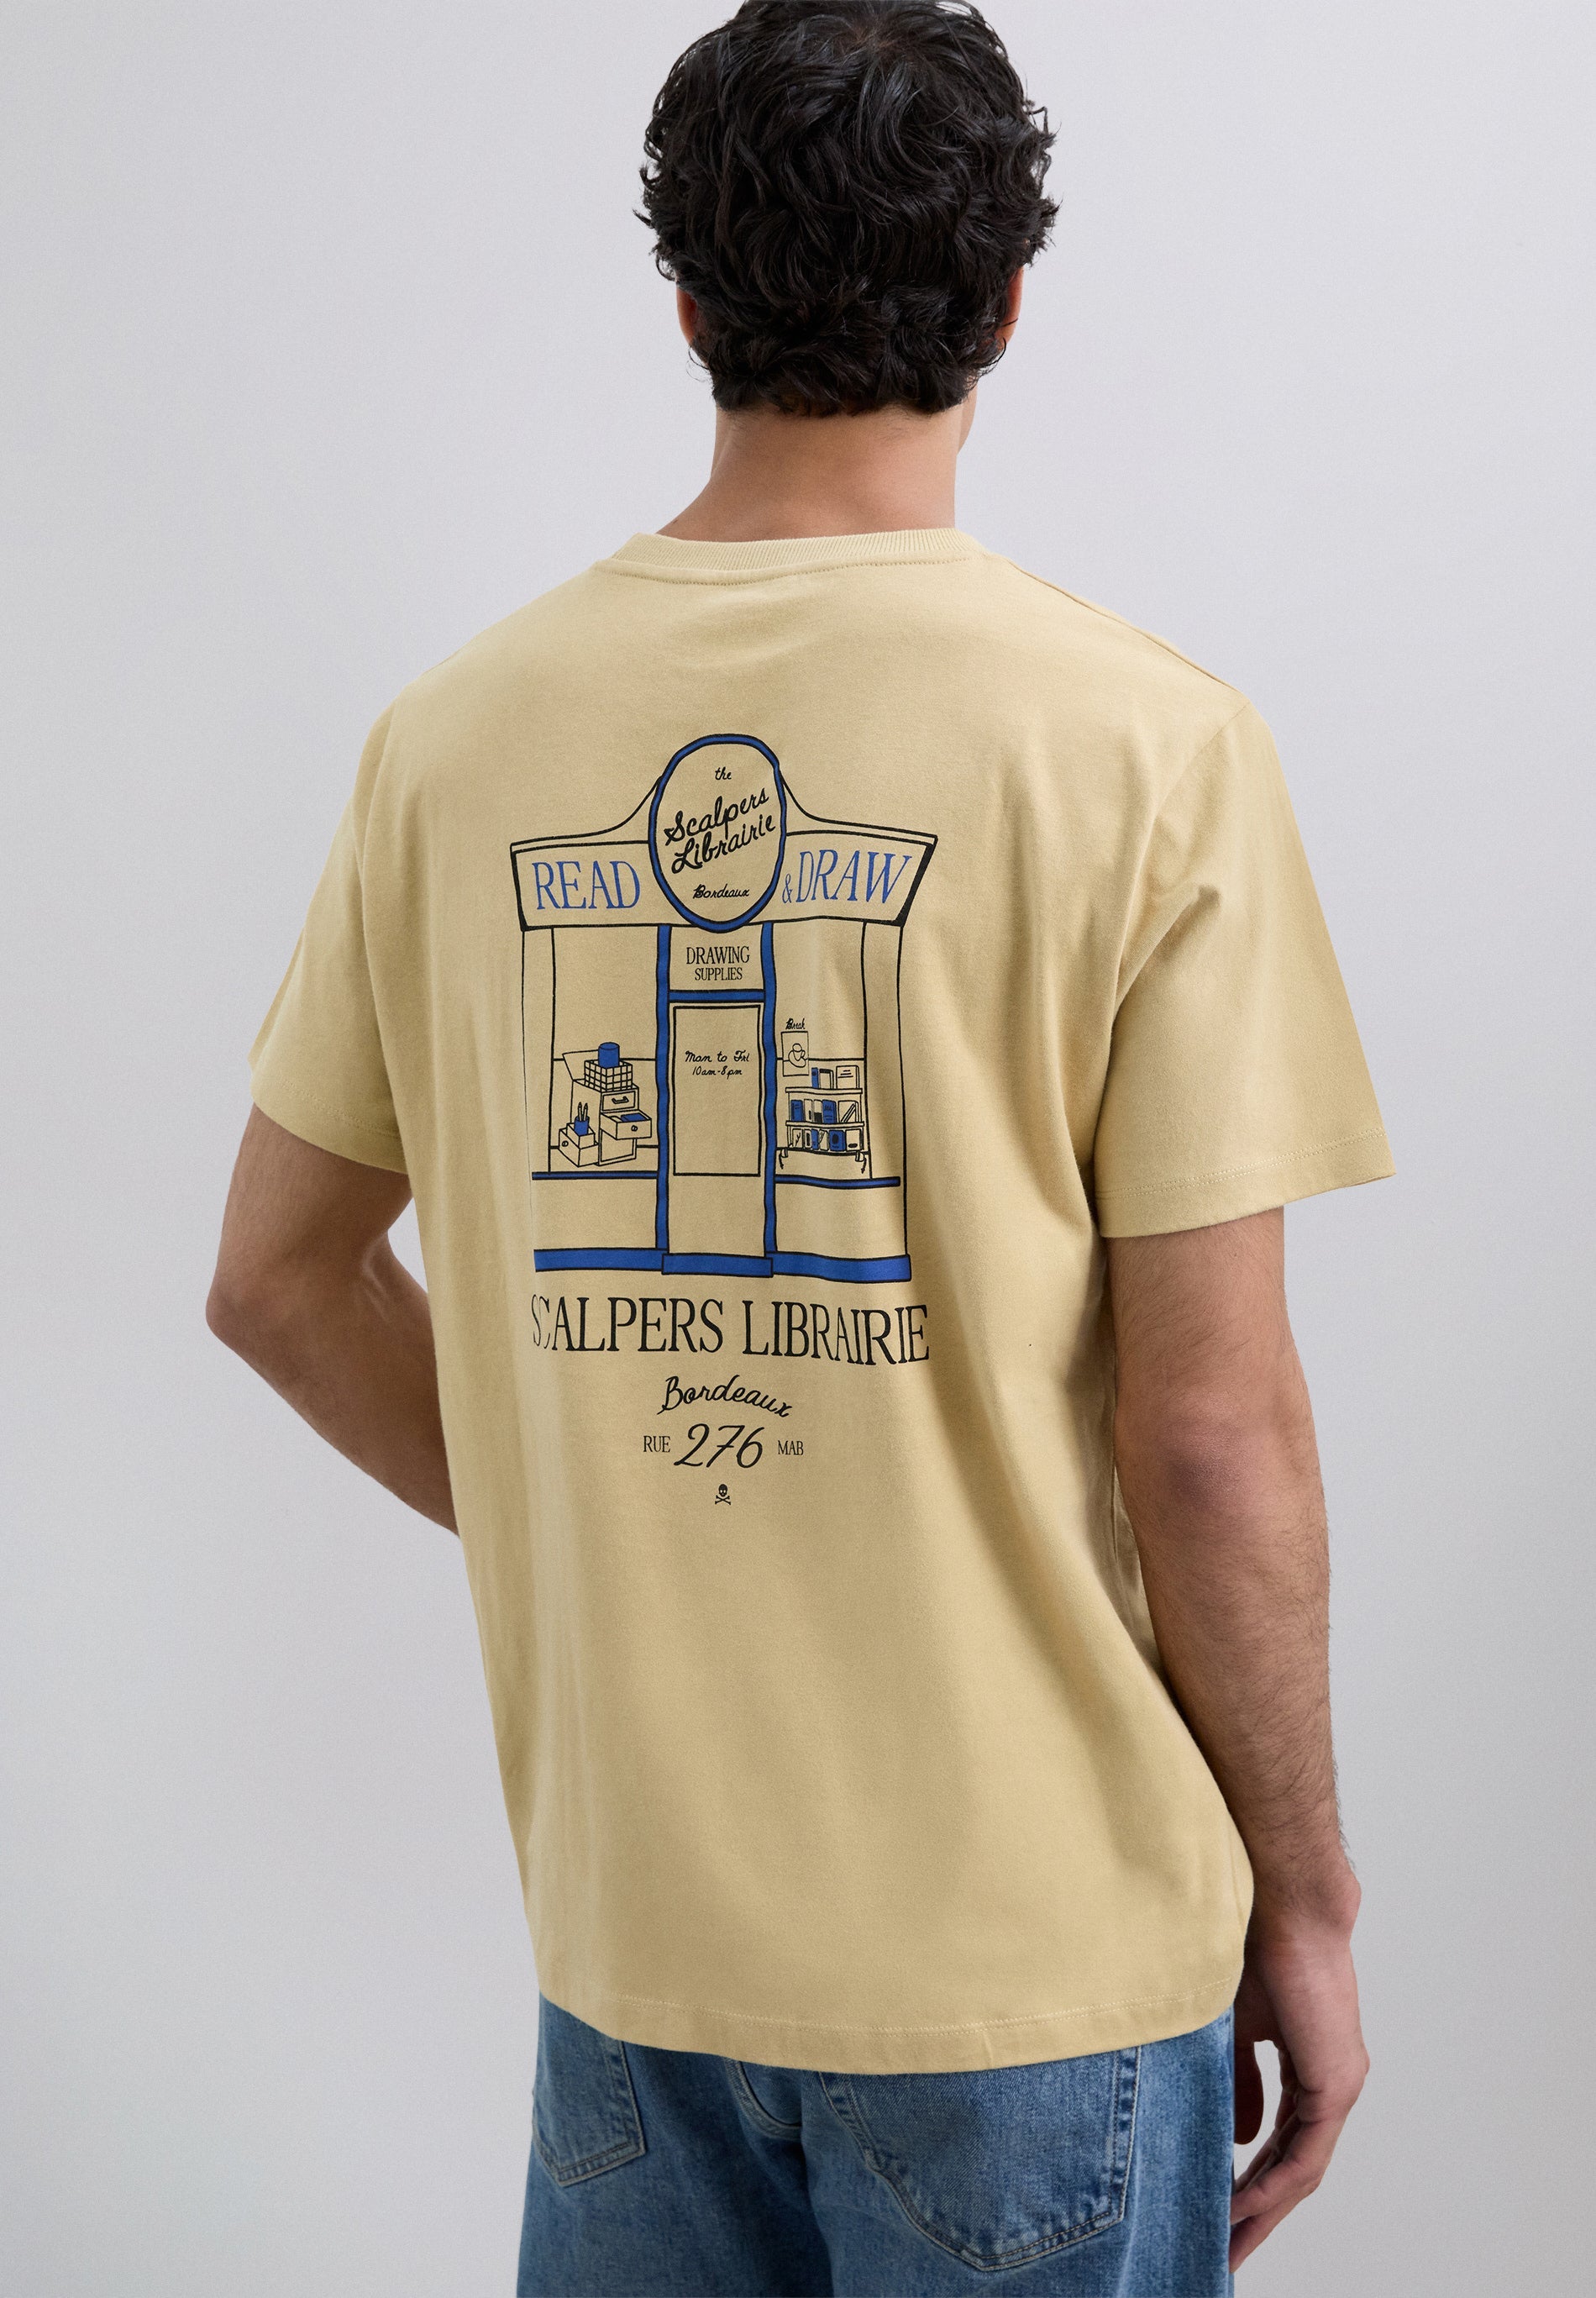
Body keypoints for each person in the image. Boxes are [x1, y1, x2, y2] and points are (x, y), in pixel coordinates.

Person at [207, 3, 1393, 2290]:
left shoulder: (452, 744)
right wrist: (1313, 1900)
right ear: (1008, 300)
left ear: (686, 305)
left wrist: (597, 1494)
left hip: (633, 1956)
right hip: (1035, 1965)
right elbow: (1212, 1433)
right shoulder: (1144, 751)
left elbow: (275, 1279)